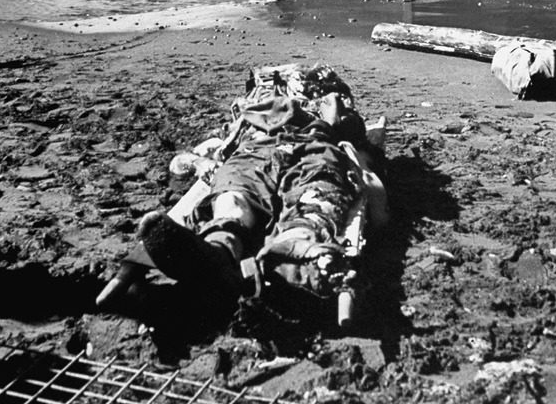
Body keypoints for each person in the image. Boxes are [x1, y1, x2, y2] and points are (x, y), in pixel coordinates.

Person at [134, 64, 387, 310]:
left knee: (316, 196)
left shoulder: (335, 105)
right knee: (233, 196)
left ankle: (290, 256)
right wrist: (199, 162)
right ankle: (218, 252)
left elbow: (362, 151)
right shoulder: (250, 114)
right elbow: (178, 164)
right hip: (257, 146)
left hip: (317, 146)